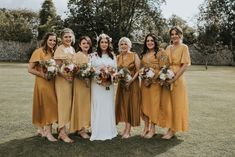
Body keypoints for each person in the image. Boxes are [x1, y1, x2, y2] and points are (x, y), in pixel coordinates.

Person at [159, 26, 191, 139]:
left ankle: (172, 130)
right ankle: (169, 127)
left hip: (178, 80)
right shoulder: (168, 47)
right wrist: (164, 75)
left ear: (180, 35)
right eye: (172, 34)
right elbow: (165, 63)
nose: (174, 36)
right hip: (167, 78)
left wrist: (174, 78)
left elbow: (185, 65)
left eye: (176, 34)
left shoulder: (184, 47)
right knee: (167, 104)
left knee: (176, 105)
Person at [28, 32, 58, 142]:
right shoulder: (38, 52)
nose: (52, 42)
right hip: (43, 83)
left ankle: (41, 129)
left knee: (45, 106)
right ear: (45, 40)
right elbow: (30, 69)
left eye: (54, 40)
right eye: (50, 40)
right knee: (49, 106)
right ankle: (48, 132)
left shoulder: (54, 52)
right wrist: (43, 75)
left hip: (53, 83)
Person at [89, 33, 118, 141]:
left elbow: (116, 70)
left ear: (109, 43)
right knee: (98, 105)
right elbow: (90, 70)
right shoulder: (93, 55)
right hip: (97, 85)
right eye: (102, 42)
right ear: (99, 43)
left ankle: (110, 130)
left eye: (106, 42)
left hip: (108, 86)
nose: (104, 44)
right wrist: (99, 76)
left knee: (108, 105)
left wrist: (111, 75)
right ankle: (97, 130)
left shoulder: (113, 56)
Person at [115, 37, 141, 138]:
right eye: (121, 44)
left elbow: (138, 70)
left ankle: (128, 130)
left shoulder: (134, 55)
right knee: (123, 106)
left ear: (129, 45)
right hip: (122, 85)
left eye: (125, 44)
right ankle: (125, 127)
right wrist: (117, 77)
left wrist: (131, 80)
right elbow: (116, 71)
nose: (123, 46)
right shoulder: (118, 57)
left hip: (132, 84)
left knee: (130, 105)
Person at [54, 28, 75, 143]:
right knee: (63, 105)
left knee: (68, 105)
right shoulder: (59, 49)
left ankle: (62, 128)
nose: (68, 39)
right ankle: (62, 132)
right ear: (61, 38)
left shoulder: (71, 48)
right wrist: (65, 77)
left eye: (70, 37)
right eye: (66, 37)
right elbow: (57, 68)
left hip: (71, 81)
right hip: (62, 81)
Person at [70, 36, 92, 139]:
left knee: (86, 106)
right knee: (80, 105)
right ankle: (80, 129)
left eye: (87, 43)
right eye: (83, 43)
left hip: (88, 85)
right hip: (80, 84)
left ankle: (83, 127)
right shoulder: (77, 55)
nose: (86, 45)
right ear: (79, 45)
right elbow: (74, 70)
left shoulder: (90, 56)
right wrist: (83, 77)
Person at [140, 33, 162, 138]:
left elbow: (164, 68)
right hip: (144, 84)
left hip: (155, 84)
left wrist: (152, 77)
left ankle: (153, 129)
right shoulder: (144, 54)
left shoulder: (160, 53)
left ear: (155, 42)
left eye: (151, 40)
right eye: (147, 41)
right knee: (145, 105)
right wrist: (144, 75)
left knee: (153, 105)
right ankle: (146, 127)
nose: (149, 42)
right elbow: (141, 68)